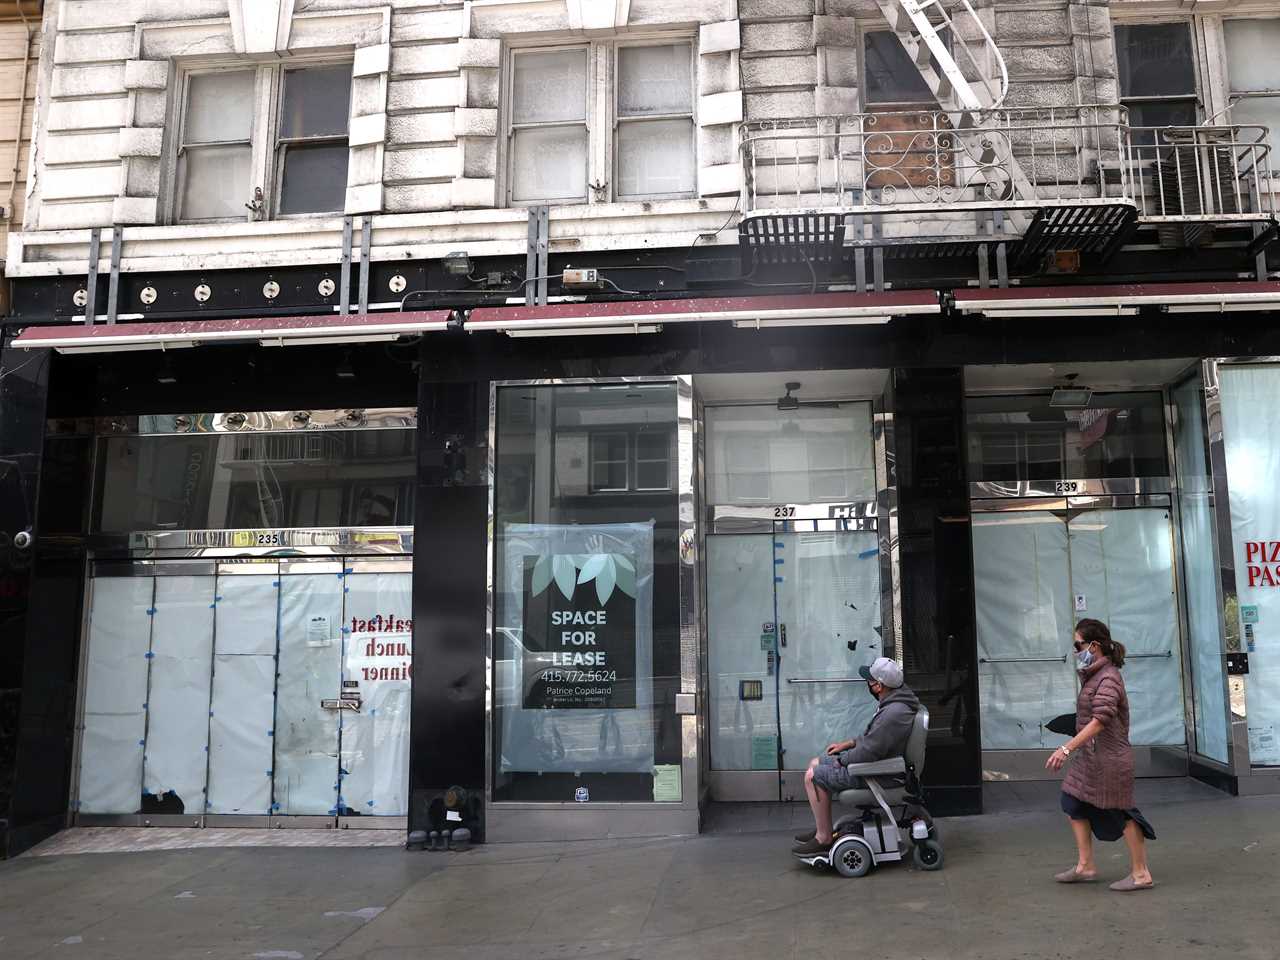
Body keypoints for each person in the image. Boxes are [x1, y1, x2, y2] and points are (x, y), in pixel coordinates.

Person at [1046, 618, 1157, 891]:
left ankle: (1141, 873)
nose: (1075, 651)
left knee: (1122, 811)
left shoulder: (1109, 677)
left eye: (1078, 645)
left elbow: (1100, 720)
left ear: (1093, 646)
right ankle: (1085, 867)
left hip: (1110, 759)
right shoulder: (1096, 675)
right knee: (1072, 800)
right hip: (1092, 757)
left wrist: (1066, 748)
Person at [791, 657, 920, 856]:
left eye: (870, 680)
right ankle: (822, 829)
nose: (868, 683)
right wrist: (850, 743)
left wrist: (842, 760)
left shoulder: (893, 713)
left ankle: (823, 838)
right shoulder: (897, 702)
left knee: (812, 776)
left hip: (878, 774)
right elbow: (874, 740)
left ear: (879, 686)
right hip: (877, 765)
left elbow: (870, 750)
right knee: (815, 762)